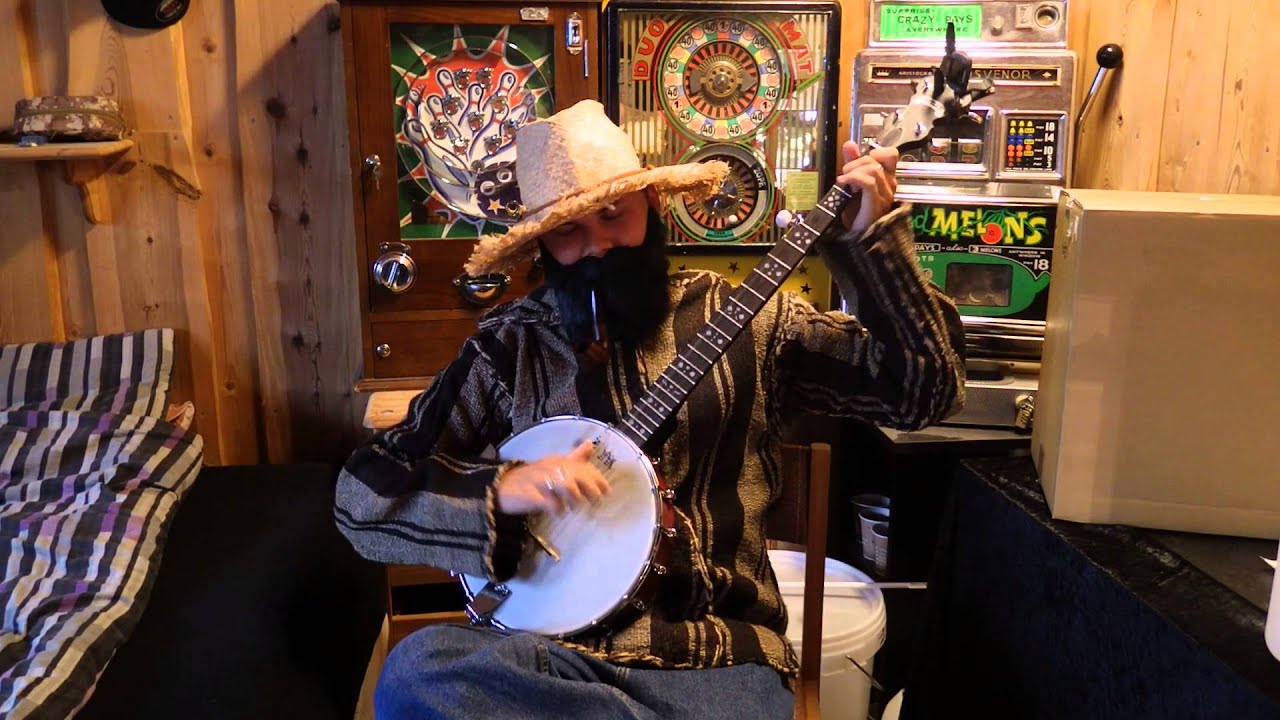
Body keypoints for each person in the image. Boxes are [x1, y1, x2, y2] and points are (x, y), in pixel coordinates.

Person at [335, 99, 965, 720]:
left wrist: (873, 246)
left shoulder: (751, 322)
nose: (598, 246)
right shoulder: (510, 348)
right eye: (568, 231)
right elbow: (361, 499)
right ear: (542, 246)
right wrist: (498, 492)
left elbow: (924, 392)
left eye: (614, 215)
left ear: (653, 205)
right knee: (416, 669)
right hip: (548, 663)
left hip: (715, 660)